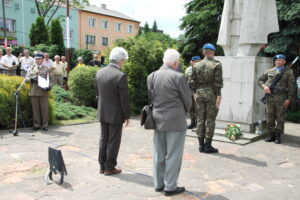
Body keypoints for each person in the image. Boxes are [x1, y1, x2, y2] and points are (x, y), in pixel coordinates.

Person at [147, 49, 192, 196]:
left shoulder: (151, 76)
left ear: (163, 60)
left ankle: (158, 184)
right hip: (176, 121)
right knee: (173, 155)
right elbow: (188, 101)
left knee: (159, 153)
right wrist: (182, 113)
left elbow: (152, 98)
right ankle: (170, 187)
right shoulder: (179, 77)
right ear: (175, 62)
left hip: (157, 119)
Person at [96, 47, 130, 176]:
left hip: (102, 111)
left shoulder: (99, 72)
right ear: (120, 60)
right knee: (114, 140)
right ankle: (109, 167)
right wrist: (127, 115)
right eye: (124, 61)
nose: (123, 63)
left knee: (104, 138)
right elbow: (124, 99)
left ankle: (102, 165)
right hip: (115, 114)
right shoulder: (120, 75)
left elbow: (97, 93)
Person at [192, 43, 223, 153]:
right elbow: (218, 82)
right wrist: (218, 96)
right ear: (213, 52)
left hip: (199, 93)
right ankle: (207, 145)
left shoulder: (196, 65)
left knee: (200, 119)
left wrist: (195, 93)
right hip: (211, 93)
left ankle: (200, 145)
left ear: (204, 52)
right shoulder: (216, 64)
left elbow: (193, 82)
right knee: (210, 119)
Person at [258, 54, 295, 144]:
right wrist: (264, 87)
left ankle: (278, 136)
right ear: (274, 61)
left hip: (281, 98)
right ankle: (271, 135)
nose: (279, 61)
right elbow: (260, 80)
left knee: (280, 118)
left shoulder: (288, 72)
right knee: (269, 117)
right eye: (277, 60)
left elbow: (292, 87)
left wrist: (289, 99)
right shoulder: (269, 71)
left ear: (284, 62)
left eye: (281, 60)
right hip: (270, 98)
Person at [26, 52, 51, 131]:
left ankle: (45, 125)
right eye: (36, 59)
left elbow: (51, 79)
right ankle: (36, 125)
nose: (37, 60)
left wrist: (49, 86)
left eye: (39, 59)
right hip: (34, 91)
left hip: (43, 92)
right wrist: (31, 79)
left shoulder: (46, 68)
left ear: (43, 59)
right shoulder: (31, 68)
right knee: (35, 110)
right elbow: (26, 79)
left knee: (44, 109)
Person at [185, 56, 201, 129]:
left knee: (199, 107)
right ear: (192, 62)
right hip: (190, 91)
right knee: (191, 107)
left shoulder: (202, 69)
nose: (197, 63)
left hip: (199, 92)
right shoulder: (188, 70)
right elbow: (185, 80)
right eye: (196, 61)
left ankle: (199, 123)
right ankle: (192, 122)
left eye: (198, 61)